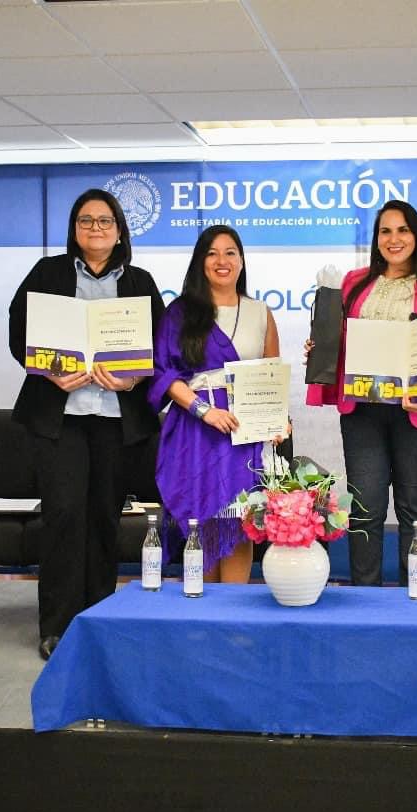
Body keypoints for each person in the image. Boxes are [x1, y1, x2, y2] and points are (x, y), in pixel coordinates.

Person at [8, 189, 164, 660]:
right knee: (63, 517)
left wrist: (134, 375)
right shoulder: (47, 273)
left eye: (104, 221)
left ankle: (97, 618)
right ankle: (56, 626)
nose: (95, 229)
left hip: (115, 420)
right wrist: (48, 372)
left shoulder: (139, 281)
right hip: (62, 419)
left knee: (102, 518)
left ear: (120, 230)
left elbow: (159, 345)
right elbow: (19, 331)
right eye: (86, 221)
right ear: (74, 229)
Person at [306, 200, 417, 586]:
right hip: (363, 411)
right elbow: (339, 342)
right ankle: (367, 600)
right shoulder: (353, 283)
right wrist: (322, 350)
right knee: (365, 510)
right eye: (385, 231)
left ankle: (414, 598)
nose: (393, 239)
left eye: (402, 230)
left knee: (415, 509)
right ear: (376, 238)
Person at [149, 225, 280, 583]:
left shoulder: (260, 312)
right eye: (212, 253)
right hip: (195, 432)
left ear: (241, 261)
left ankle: (233, 619)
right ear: (200, 262)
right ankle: (200, 617)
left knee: (240, 522)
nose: (222, 261)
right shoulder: (179, 312)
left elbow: (271, 375)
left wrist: (278, 422)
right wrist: (203, 411)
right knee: (202, 520)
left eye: (230, 253)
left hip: (245, 432)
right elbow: (163, 374)